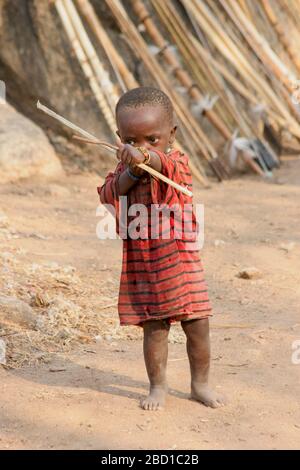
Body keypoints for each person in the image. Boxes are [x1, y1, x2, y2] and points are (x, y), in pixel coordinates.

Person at [98, 87, 226, 411]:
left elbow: (168, 169)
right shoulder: (123, 171)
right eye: (131, 140)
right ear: (119, 138)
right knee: (154, 329)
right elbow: (108, 194)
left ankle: (200, 384)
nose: (141, 147)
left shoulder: (177, 162)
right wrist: (130, 170)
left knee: (198, 326)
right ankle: (158, 386)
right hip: (146, 266)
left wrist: (147, 157)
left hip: (181, 265)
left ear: (171, 134)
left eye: (152, 139)